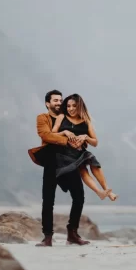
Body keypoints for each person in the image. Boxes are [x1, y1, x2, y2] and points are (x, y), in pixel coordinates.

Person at [28, 89, 89, 247]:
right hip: (51, 161)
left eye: (60, 100)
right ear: (47, 103)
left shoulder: (70, 117)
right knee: (48, 200)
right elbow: (46, 135)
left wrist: (81, 139)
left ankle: (72, 233)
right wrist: (65, 134)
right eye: (55, 100)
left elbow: (82, 137)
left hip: (69, 162)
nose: (59, 103)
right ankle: (47, 237)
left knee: (79, 197)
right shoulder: (42, 118)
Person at [51, 93, 119, 202]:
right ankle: (102, 192)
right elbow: (51, 135)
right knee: (83, 170)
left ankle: (106, 191)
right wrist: (65, 132)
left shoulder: (86, 121)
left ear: (79, 106)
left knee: (94, 164)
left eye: (74, 106)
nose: (71, 109)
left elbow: (95, 142)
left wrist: (86, 137)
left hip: (80, 152)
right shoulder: (62, 117)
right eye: (68, 106)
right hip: (64, 154)